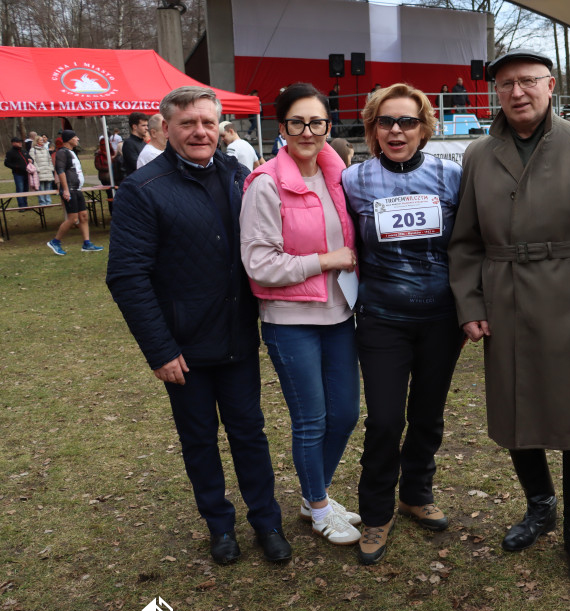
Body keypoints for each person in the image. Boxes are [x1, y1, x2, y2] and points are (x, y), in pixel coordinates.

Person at [448, 49, 570, 581]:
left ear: (551, 86)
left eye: (528, 81)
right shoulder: (479, 154)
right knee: (515, 406)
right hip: (505, 296)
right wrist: (470, 303)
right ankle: (540, 505)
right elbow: (465, 240)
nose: (517, 92)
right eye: (506, 84)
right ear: (495, 93)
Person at [106, 86, 292, 566]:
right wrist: (160, 350)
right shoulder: (141, 190)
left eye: (208, 122)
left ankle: (266, 521)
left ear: (221, 126)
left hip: (237, 337)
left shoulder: (239, 177)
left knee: (250, 432)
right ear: (165, 128)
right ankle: (219, 526)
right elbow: (127, 277)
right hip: (183, 347)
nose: (200, 132)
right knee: (199, 439)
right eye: (188, 123)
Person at [342, 83, 464, 565]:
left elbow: (470, 244)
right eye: (386, 121)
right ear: (373, 128)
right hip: (382, 321)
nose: (396, 130)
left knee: (429, 413)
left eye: (407, 121)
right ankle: (375, 512)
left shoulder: (451, 176)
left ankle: (416, 493)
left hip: (441, 318)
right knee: (386, 419)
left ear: (423, 127)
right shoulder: (354, 181)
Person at [240, 82, 363, 549]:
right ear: (283, 127)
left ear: (329, 126)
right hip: (289, 319)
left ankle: (316, 494)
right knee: (311, 419)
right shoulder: (266, 183)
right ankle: (317, 507)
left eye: (317, 122)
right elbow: (260, 264)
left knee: (346, 414)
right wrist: (327, 260)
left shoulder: (337, 175)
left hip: (338, 314)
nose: (308, 131)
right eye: (298, 122)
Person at [46, 131, 102, 255]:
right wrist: (65, 189)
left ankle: (87, 243)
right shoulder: (61, 152)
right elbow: (60, 171)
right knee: (73, 218)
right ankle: (55, 241)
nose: (77, 139)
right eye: (75, 137)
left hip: (77, 189)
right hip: (69, 189)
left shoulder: (71, 152)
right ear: (68, 139)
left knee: (83, 216)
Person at [120, 111, 149, 178]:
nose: (147, 128)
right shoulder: (129, 144)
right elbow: (137, 165)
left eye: (147, 125)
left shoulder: (144, 143)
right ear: (134, 127)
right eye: (143, 125)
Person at [29, 134, 55, 205]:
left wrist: (51, 167)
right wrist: (37, 169)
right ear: (36, 141)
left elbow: (49, 159)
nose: (43, 141)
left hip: (48, 171)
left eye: (43, 140)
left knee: (48, 187)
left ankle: (48, 202)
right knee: (41, 188)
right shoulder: (33, 150)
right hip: (39, 172)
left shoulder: (45, 149)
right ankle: (42, 202)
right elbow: (33, 160)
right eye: (41, 140)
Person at [4, 136, 30, 207]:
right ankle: (21, 206)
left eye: (20, 142)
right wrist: (16, 167)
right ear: (13, 143)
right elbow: (6, 163)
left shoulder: (24, 151)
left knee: (25, 189)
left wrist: (31, 161)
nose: (20, 143)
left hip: (26, 173)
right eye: (18, 142)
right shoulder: (10, 153)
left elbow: (30, 158)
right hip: (18, 174)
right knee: (20, 189)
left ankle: (25, 205)